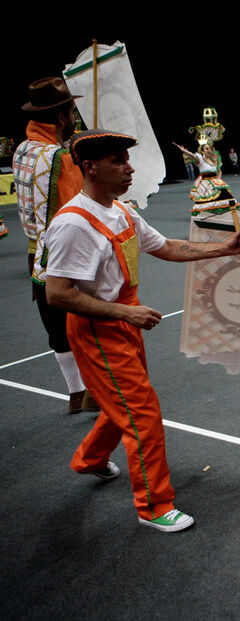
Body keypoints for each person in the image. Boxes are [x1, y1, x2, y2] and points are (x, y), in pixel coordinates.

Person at [44, 128, 240, 532]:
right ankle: (153, 505)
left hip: (123, 321)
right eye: (118, 161)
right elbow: (57, 294)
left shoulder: (121, 210)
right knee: (142, 414)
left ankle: (89, 459)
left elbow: (166, 246)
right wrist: (124, 313)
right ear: (90, 167)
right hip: (97, 329)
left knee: (123, 400)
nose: (129, 167)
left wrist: (221, 248)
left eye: (127, 158)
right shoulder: (72, 224)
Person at [12, 77, 97, 414]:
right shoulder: (60, 158)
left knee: (55, 328)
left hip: (36, 254)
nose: (75, 118)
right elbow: (80, 208)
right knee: (85, 324)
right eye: (72, 112)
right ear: (61, 118)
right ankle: (93, 391)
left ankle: (75, 393)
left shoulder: (22, 150)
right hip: (66, 254)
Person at [173, 141, 240, 218]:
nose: (209, 149)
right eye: (206, 148)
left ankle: (224, 213)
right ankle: (209, 214)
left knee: (225, 195)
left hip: (216, 182)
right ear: (202, 151)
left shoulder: (213, 160)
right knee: (207, 201)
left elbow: (219, 172)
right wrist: (184, 151)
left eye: (209, 148)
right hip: (206, 184)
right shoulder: (200, 160)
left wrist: (219, 179)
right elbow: (192, 156)